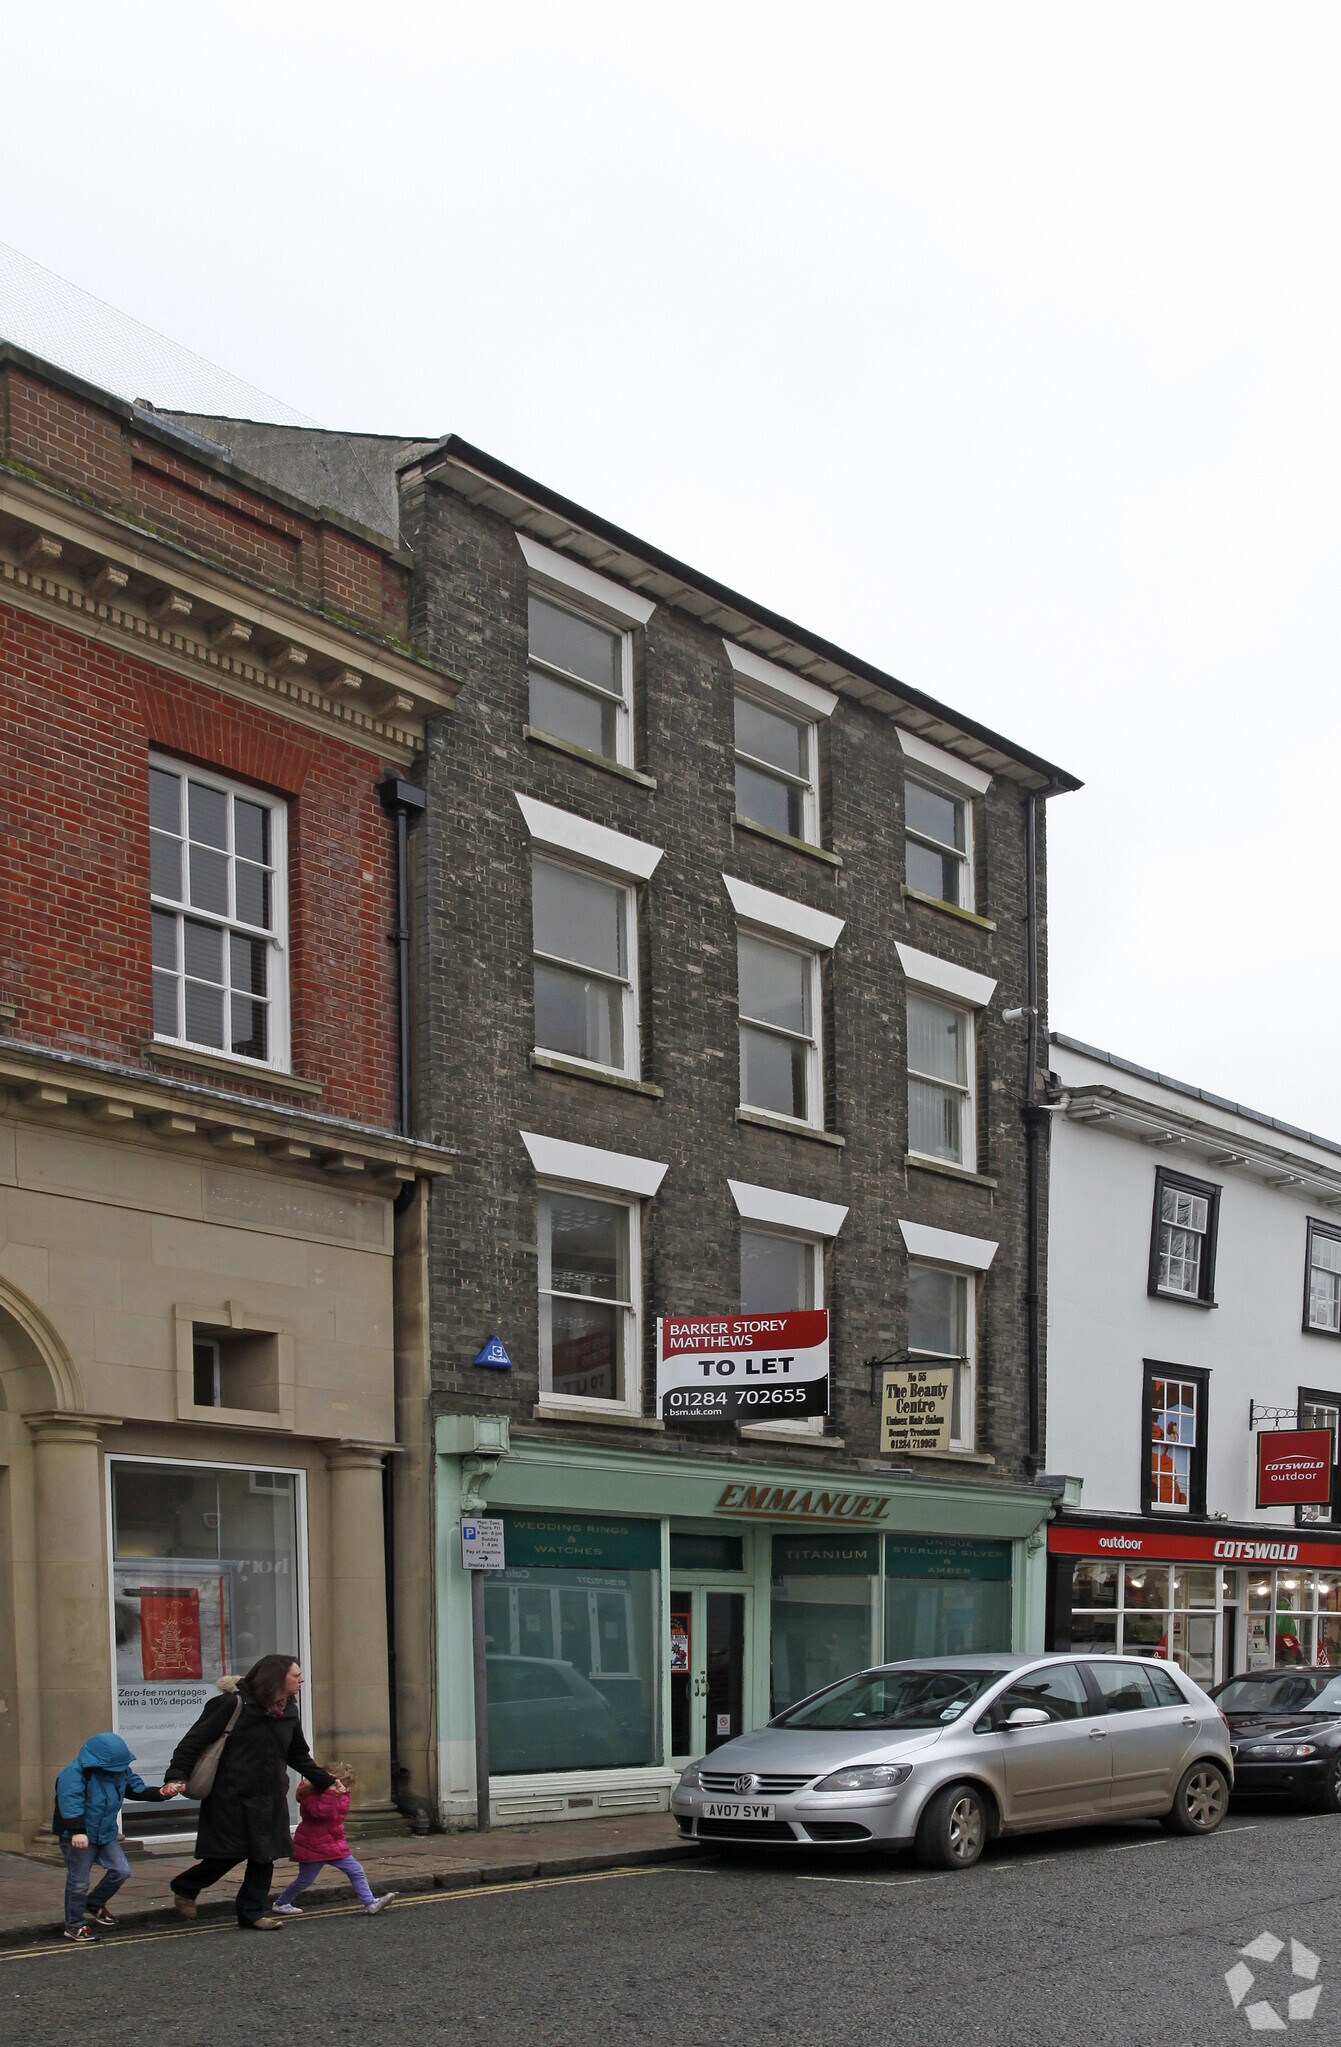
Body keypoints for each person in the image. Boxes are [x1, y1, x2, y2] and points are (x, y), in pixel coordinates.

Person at [164, 1654, 335, 1931]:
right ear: (277, 1678)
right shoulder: (231, 1704)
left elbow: (297, 1755)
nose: (301, 1680)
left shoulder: (288, 1710)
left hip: (269, 1796)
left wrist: (326, 1781)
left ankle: (252, 1913)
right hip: (229, 1795)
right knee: (227, 1853)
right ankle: (185, 1886)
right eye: (296, 1675)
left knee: (264, 1855)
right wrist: (176, 1777)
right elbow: (192, 1744)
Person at [52, 1733, 185, 1943]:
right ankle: (74, 1925)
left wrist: (162, 1792)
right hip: (79, 1836)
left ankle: (95, 1903)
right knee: (78, 1883)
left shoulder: (120, 1770)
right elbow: (70, 1803)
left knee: (122, 1871)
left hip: (105, 1833)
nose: (119, 1770)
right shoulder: (74, 1774)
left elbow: (136, 1790)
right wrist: (77, 1831)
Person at [271, 1764, 398, 1917]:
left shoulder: (338, 1794)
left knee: (356, 1870)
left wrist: (339, 1794)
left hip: (334, 1842)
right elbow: (319, 1813)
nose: (345, 1787)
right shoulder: (309, 1794)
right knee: (305, 1880)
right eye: (343, 1783)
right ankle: (281, 1903)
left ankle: (370, 1903)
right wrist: (331, 1794)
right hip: (313, 1844)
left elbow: (339, 1814)